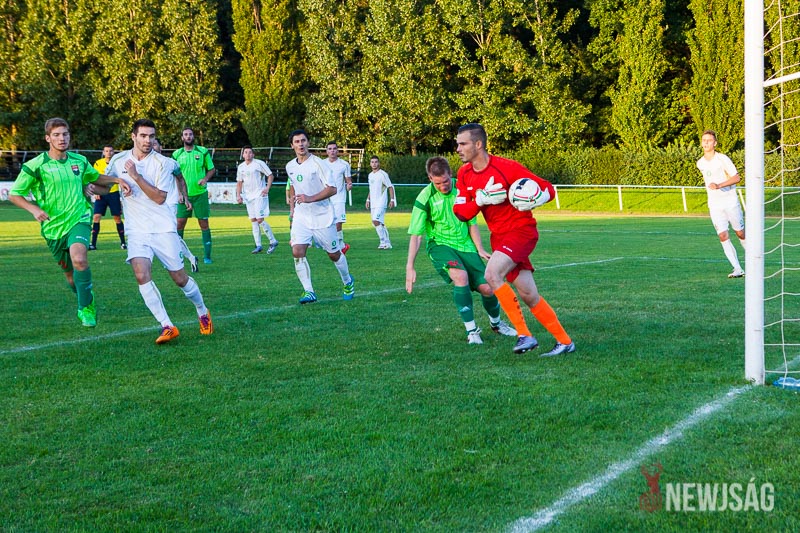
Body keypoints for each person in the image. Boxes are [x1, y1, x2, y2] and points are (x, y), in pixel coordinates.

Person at [452, 123, 574, 356]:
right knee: (529, 295)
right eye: (457, 144)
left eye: (463, 144)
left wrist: (538, 197)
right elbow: (461, 213)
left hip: (521, 232)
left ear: (478, 144)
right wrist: (480, 200)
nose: (458, 149)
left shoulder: (507, 167)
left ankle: (524, 335)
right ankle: (565, 342)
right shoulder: (464, 174)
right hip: (499, 238)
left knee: (491, 274)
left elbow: (548, 189)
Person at [8, 117, 130, 327]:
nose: (62, 138)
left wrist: (116, 180)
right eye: (56, 135)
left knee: (80, 259)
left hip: (79, 218)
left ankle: (86, 308)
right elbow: (14, 194)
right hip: (53, 228)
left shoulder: (79, 161)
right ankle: (86, 296)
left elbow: (96, 178)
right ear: (48, 138)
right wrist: (34, 209)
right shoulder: (35, 165)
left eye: (65, 134)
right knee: (72, 279)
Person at [105, 119, 213, 344]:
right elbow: (103, 184)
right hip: (136, 231)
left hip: (163, 229)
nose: (148, 140)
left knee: (180, 279)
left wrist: (135, 176)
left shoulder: (162, 163)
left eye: (151, 136)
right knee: (141, 275)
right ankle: (167, 325)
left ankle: (202, 311)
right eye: (143, 136)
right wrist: (94, 186)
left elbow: (159, 197)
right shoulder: (118, 160)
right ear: (133, 136)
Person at [406, 156, 517, 344]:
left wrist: (479, 248)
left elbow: (472, 222)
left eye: (446, 181)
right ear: (430, 178)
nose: (443, 186)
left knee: (488, 288)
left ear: (450, 174)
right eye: (438, 183)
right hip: (440, 245)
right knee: (460, 276)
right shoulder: (424, 197)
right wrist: (410, 266)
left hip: (466, 246)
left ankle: (497, 324)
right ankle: (472, 331)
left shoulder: (463, 188)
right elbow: (416, 235)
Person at [285, 129, 355, 304]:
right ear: (292, 145)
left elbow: (332, 188)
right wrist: (293, 210)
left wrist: (309, 198)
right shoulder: (290, 166)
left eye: (303, 140)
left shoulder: (318, 164)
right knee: (297, 251)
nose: (300, 144)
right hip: (301, 216)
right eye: (297, 141)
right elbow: (293, 186)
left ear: (308, 143)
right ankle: (309, 291)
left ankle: (347, 281)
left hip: (323, 216)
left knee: (334, 254)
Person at [697, 130, 746, 278]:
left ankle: (754, 261)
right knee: (723, 235)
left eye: (709, 140)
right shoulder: (700, 163)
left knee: (740, 233)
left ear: (715, 143)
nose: (706, 142)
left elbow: (736, 178)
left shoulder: (722, 159)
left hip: (730, 202)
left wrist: (719, 185)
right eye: (704, 140)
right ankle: (737, 268)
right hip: (715, 205)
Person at [153, 138, 199, 273]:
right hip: (154, 204)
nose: (152, 146)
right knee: (162, 235)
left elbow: (181, 180)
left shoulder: (170, 163)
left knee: (170, 234)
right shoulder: (146, 164)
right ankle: (186, 258)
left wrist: (184, 197)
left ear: (161, 147)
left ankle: (181, 259)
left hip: (170, 203)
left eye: (155, 144)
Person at [172, 127, 215, 264]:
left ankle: (207, 256)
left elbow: (211, 169)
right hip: (184, 196)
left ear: (193, 137)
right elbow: (174, 175)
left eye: (190, 134)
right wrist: (179, 193)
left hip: (200, 194)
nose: (188, 136)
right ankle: (178, 255)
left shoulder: (203, 151)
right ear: (182, 137)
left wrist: (205, 179)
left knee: (204, 224)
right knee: (179, 224)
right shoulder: (176, 154)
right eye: (185, 134)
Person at [236, 146, 279, 254]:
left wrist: (267, 188)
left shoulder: (259, 163)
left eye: (250, 152)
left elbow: (270, 175)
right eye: (246, 152)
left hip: (260, 194)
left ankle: (273, 241)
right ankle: (258, 245)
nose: (248, 154)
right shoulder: (241, 167)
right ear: (243, 155)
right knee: (253, 220)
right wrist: (238, 195)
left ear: (253, 154)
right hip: (248, 197)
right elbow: (239, 182)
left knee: (260, 219)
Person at [89, 144, 127, 250]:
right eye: (106, 151)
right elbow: (95, 178)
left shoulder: (117, 164)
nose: (108, 153)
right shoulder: (98, 163)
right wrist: (96, 191)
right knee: (96, 217)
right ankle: (93, 244)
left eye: (110, 151)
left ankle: (123, 243)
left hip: (113, 193)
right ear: (103, 152)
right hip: (101, 194)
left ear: (113, 152)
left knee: (117, 218)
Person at [321, 141, 353, 253]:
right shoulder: (322, 164)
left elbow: (348, 181)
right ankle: (341, 245)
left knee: (338, 223)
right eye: (330, 149)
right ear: (327, 151)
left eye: (334, 149)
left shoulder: (344, 165)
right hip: (325, 199)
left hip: (339, 198)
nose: (332, 151)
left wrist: (349, 186)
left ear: (337, 151)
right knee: (327, 224)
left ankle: (339, 245)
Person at [366, 155, 396, 249]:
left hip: (381, 202)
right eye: (372, 162)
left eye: (376, 162)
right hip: (373, 203)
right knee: (380, 223)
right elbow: (371, 189)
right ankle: (387, 243)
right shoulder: (370, 175)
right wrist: (368, 199)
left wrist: (392, 200)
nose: (374, 164)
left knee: (376, 220)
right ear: (370, 164)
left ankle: (382, 242)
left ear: (379, 163)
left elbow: (390, 187)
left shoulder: (383, 174)